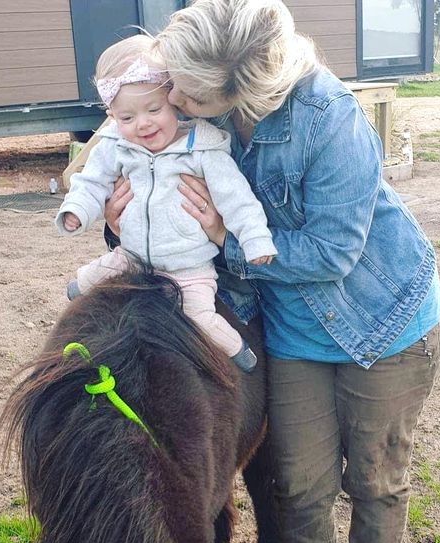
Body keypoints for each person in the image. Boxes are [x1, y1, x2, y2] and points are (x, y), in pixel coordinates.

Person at [109, 0, 440, 543]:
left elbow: (330, 254)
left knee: (375, 476)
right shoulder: (198, 111)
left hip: (378, 321)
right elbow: (136, 169)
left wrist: (222, 242)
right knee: (298, 479)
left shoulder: (330, 120)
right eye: (173, 85)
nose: (172, 102)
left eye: (189, 93)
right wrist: (118, 220)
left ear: (244, 93)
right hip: (292, 326)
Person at [56, 34, 277, 372]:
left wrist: (255, 239)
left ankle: (239, 351)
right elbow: (91, 182)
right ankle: (78, 287)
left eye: (153, 110)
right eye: (126, 118)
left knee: (199, 317)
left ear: (172, 100)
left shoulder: (201, 150)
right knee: (88, 282)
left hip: (188, 268)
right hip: (132, 257)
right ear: (112, 116)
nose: (142, 124)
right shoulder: (116, 146)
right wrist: (77, 211)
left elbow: (238, 199)